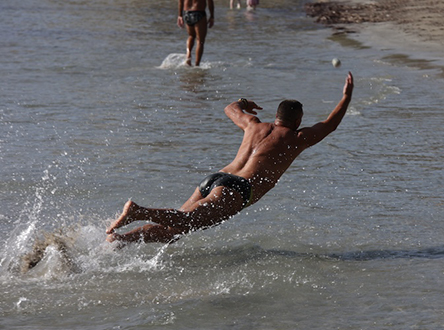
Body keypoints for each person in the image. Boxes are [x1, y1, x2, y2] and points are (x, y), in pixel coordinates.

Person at [106, 72, 355, 244]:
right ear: (298, 120)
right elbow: (329, 125)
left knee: (176, 229)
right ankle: (137, 211)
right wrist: (346, 96)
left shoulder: (253, 125)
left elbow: (229, 108)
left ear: (276, 115)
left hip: (216, 177)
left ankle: (120, 240)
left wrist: (243, 102)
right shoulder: (296, 138)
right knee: (188, 221)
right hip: (238, 189)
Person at [177, 0, 215, 66]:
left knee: (191, 36)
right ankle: (197, 64)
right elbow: (210, 2)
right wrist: (212, 16)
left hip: (187, 13)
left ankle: (188, 55)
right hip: (199, 12)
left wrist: (180, 15)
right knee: (200, 41)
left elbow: (180, 1)